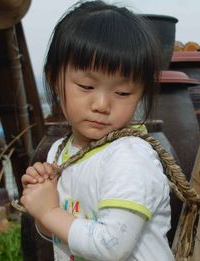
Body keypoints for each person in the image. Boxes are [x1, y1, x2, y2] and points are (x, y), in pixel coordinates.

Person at [20, 1, 174, 260]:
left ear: (141, 94)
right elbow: (61, 232)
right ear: (54, 80)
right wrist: (41, 203)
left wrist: (49, 212)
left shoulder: (129, 157)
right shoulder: (60, 151)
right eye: (86, 86)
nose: (102, 105)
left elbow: (111, 246)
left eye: (122, 92)